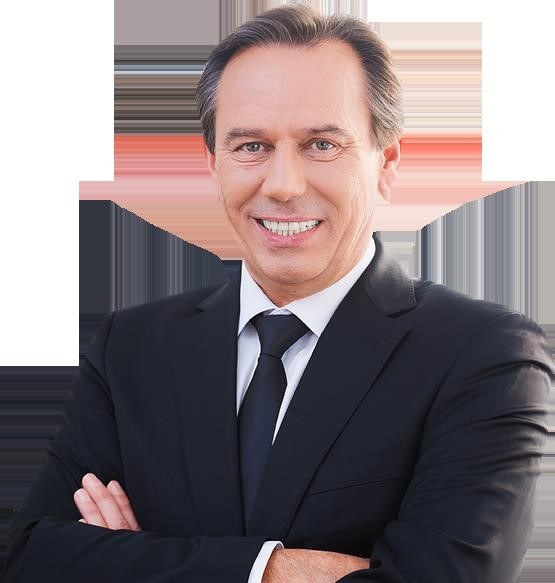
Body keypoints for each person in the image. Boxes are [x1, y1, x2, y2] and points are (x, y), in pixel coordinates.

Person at [4, 5, 552, 583]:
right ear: (213, 164)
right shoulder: (131, 346)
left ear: (386, 163)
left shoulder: (484, 352)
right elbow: (35, 558)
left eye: (321, 144)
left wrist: (135, 561)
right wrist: (272, 570)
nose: (283, 185)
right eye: (251, 147)